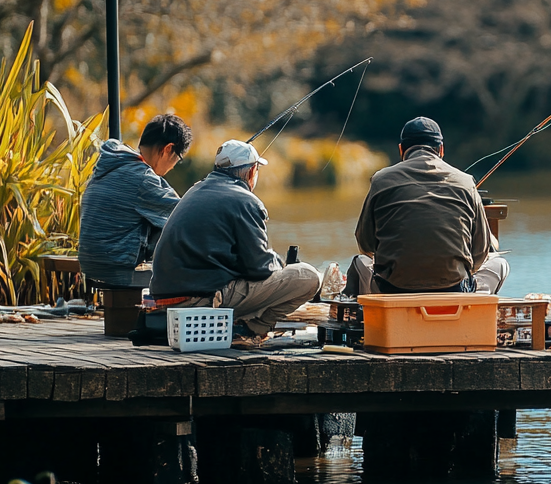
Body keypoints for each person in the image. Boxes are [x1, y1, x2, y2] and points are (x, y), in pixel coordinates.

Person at [150, 139, 320, 347]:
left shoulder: (194, 191)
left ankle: (241, 327)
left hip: (165, 300)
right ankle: (250, 330)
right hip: (201, 301)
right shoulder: (245, 200)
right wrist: (283, 264)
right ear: (251, 172)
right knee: (307, 276)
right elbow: (259, 267)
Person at [351, 116, 508, 295]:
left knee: (360, 262)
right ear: (441, 149)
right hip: (454, 291)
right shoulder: (466, 182)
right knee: (499, 264)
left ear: (401, 149)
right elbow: (479, 253)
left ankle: (368, 318)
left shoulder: (381, 180)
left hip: (393, 291)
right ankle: (472, 312)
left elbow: (365, 244)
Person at [78, 114, 192, 287]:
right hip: (117, 270)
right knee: (178, 226)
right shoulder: (143, 179)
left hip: (91, 265)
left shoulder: (111, 165)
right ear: (168, 149)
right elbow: (185, 214)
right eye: (178, 158)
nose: (174, 165)